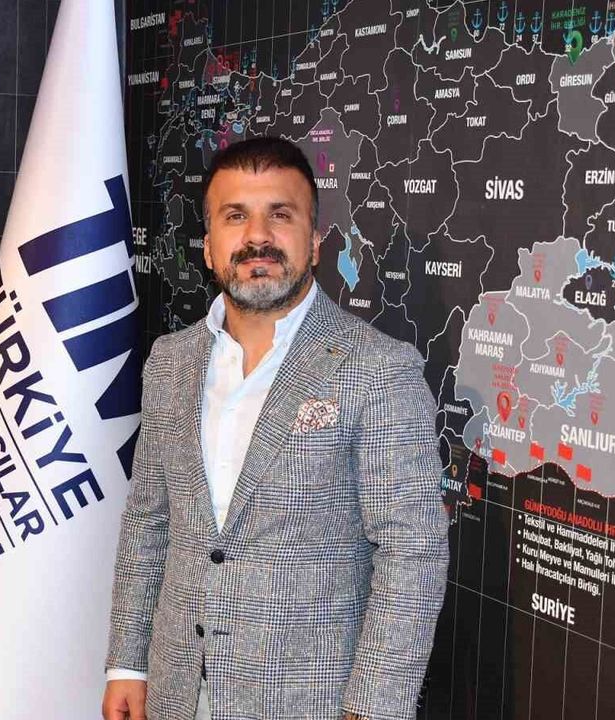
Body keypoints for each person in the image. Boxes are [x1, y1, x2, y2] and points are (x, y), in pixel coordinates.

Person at [102, 137, 449, 720]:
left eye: (280, 215)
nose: (257, 237)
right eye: (235, 216)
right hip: (175, 691)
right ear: (209, 246)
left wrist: (373, 708)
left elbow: (412, 550)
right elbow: (149, 519)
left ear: (314, 243)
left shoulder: (377, 368)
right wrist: (127, 665)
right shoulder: (168, 362)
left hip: (311, 700)